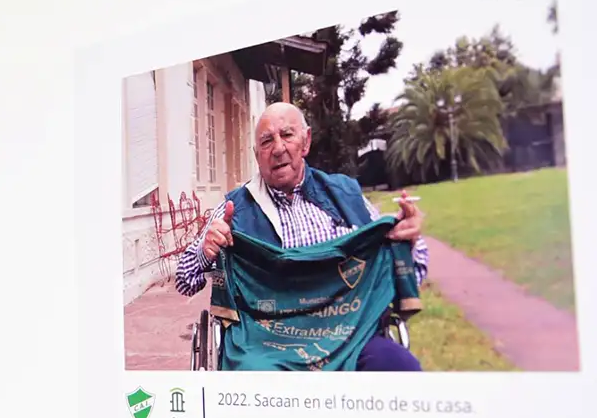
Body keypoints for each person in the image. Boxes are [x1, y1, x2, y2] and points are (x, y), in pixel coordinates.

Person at [176, 102, 428, 371]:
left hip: (350, 335)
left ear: (305, 142)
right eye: (266, 141)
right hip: (266, 343)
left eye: (287, 135)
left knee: (399, 368)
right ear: (257, 155)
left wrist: (408, 240)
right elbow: (184, 279)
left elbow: (411, 272)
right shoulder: (234, 209)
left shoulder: (347, 197)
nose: (278, 148)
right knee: (251, 380)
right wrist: (205, 250)